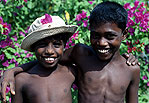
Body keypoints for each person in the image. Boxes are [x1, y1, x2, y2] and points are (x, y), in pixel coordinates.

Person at [0, 1, 140, 103]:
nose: (102, 43)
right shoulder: (80, 54)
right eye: (96, 35)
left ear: (124, 34)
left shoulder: (131, 69)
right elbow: (50, 57)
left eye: (110, 36)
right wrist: (12, 71)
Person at [11, 14, 78, 103]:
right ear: (33, 47)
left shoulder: (71, 72)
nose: (49, 51)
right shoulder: (21, 80)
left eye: (56, 44)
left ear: (64, 46)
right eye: (42, 45)